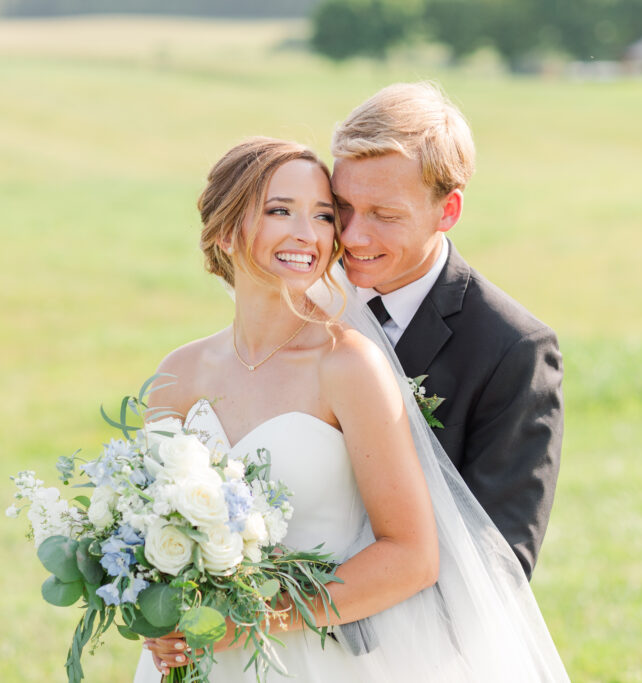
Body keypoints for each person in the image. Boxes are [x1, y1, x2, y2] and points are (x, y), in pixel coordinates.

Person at [135, 137, 568, 682]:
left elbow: (413, 555)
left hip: (316, 656)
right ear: (225, 230)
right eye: (279, 211)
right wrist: (154, 612)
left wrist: (253, 621)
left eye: (322, 215)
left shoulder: (348, 365)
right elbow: (146, 534)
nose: (308, 233)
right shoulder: (176, 373)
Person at [330, 82, 564, 578]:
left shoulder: (513, 350)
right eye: (342, 207)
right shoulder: (304, 306)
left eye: (384, 215)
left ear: (448, 211)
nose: (351, 236)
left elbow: (500, 559)